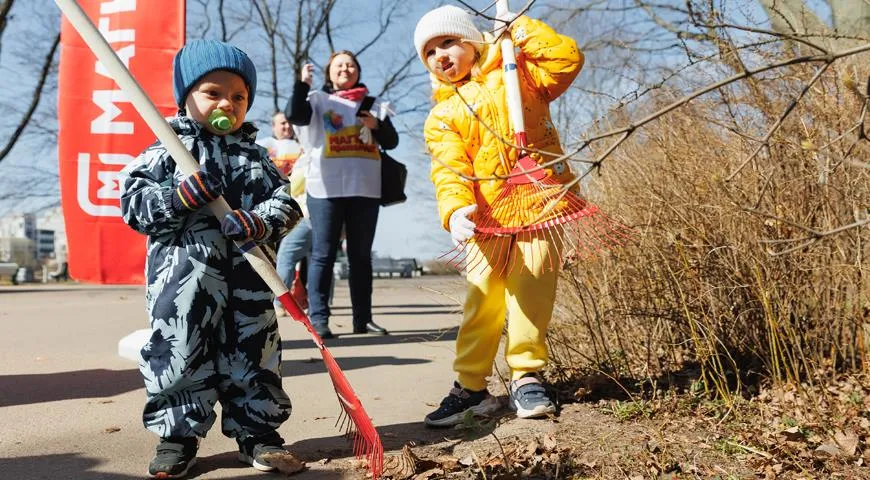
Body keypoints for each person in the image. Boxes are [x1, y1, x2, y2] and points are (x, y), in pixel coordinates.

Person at [119, 39, 302, 478]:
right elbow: (134, 206)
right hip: (183, 284)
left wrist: (258, 221)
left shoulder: (257, 158)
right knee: (180, 354)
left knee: (255, 357)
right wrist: (178, 196)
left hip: (249, 284)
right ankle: (177, 435)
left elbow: (287, 204)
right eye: (213, 93)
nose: (228, 103)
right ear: (186, 99)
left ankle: (258, 433)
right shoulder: (165, 152)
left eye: (239, 96)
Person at [413, 6, 583, 427]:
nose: (440, 55)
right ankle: (471, 386)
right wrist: (454, 211)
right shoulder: (442, 115)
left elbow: (566, 61)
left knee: (531, 289)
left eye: (448, 43)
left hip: (540, 200)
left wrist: (520, 29)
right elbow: (448, 169)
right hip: (486, 215)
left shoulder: (520, 73)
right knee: (482, 296)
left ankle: (526, 376)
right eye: (430, 51)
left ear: (472, 42)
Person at [285, 50, 399, 339]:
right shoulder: (318, 100)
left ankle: (363, 319)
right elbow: (294, 115)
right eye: (339, 65)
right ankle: (319, 319)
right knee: (322, 254)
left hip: (365, 188)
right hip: (326, 188)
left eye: (350, 65)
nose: (345, 69)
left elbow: (392, 142)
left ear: (358, 71)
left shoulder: (372, 105)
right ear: (329, 73)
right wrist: (301, 85)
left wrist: (377, 126)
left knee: (361, 257)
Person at [258, 112, 311, 312]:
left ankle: (300, 297)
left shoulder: (302, 148)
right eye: (282, 123)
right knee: (272, 255)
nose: (286, 127)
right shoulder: (263, 145)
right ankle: (271, 296)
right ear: (273, 126)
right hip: (267, 209)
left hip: (296, 209)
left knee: (296, 255)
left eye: (289, 123)